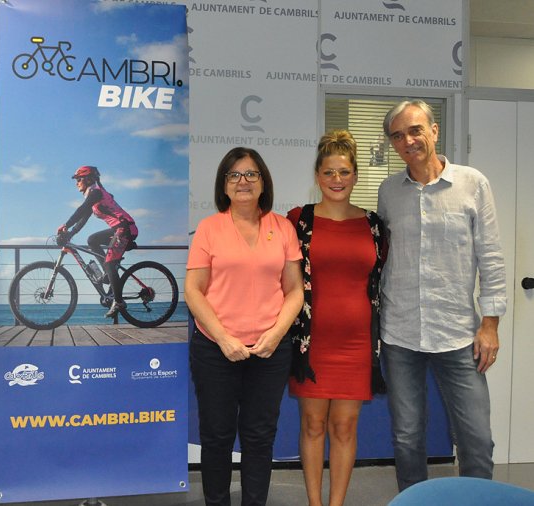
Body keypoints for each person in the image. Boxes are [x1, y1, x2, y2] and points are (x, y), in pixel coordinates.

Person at [378, 99, 506, 491]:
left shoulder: (473, 183)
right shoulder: (388, 191)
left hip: (458, 335)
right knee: (407, 438)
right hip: (400, 335)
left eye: (415, 130)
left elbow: (492, 257)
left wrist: (490, 324)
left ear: (434, 131)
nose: (408, 141)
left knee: (476, 440)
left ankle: (477, 502)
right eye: (398, 136)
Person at [186, 147, 303, 506]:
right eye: (234, 175)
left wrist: (275, 334)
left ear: (263, 181)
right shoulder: (209, 228)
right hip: (215, 349)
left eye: (251, 174)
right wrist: (224, 339)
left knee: (259, 437)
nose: (243, 182)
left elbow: (295, 290)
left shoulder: (282, 227)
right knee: (217, 437)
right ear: (223, 186)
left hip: (269, 350)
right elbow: (194, 290)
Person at [287, 130, 386, 506]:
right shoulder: (299, 220)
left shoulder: (374, 226)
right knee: (313, 425)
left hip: (357, 344)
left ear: (356, 175)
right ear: (317, 176)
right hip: (311, 344)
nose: (337, 180)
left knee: (344, 427)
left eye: (344, 172)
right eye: (329, 173)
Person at [57, 165, 138, 318]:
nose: (77, 183)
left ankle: (119, 302)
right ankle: (108, 274)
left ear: (87, 179)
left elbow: (81, 210)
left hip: (125, 229)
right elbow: (83, 218)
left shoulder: (96, 193)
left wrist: (65, 225)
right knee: (92, 240)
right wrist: (70, 233)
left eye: (78, 179)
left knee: (109, 263)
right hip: (118, 229)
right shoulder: (92, 195)